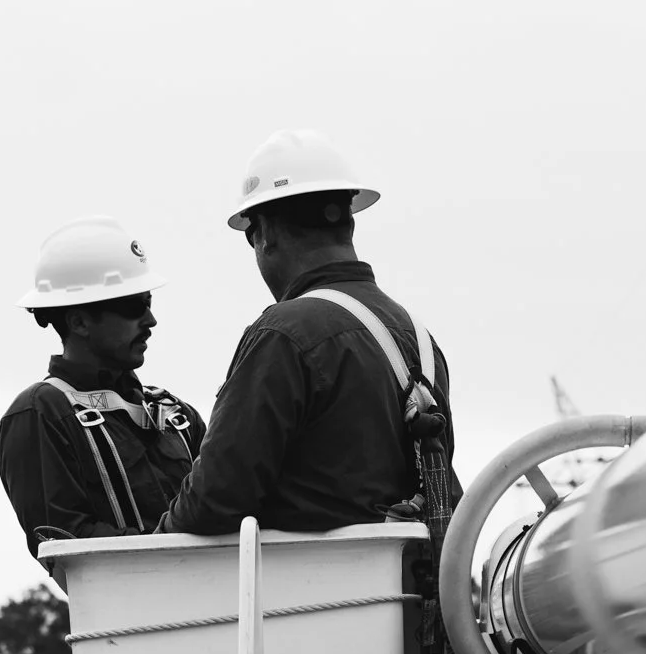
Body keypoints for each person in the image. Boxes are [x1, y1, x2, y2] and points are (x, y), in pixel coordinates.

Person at [156, 129, 456, 536]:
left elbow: (213, 501)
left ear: (264, 235)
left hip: (310, 596)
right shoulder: (418, 339)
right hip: (409, 592)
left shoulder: (283, 335)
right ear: (347, 223)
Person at [0, 216, 206, 560]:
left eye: (148, 302)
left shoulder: (176, 414)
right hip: (135, 609)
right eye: (131, 306)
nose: (150, 320)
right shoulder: (41, 413)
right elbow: (67, 544)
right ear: (78, 321)